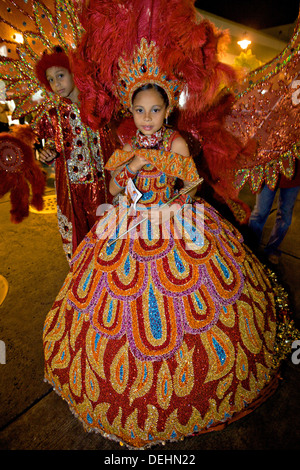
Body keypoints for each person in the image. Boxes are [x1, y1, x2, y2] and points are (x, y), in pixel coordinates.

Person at [42, 37, 298, 449]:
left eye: (155, 110)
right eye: (140, 111)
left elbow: (193, 184)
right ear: (132, 112)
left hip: (176, 224)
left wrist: (169, 201)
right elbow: (111, 183)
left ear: (168, 109)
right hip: (129, 226)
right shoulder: (124, 146)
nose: (147, 118)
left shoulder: (176, 142)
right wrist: (133, 171)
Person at [35, 46, 118, 262]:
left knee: (111, 236)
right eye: (51, 80)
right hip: (74, 192)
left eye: (60, 76)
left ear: (74, 72)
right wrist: (49, 153)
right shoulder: (53, 116)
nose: (56, 84)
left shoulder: (99, 105)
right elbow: (54, 147)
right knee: (82, 243)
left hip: (105, 185)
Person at [248, 161, 300, 265]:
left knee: (285, 217)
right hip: (268, 167)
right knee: (260, 213)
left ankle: (272, 249)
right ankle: (250, 248)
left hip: (295, 174)